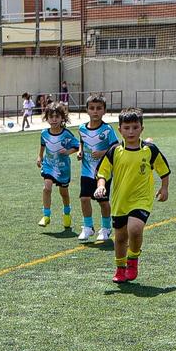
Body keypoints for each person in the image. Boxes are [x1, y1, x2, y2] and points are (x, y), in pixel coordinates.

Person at [95, 109, 170, 284]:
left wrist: (164, 188)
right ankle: (120, 268)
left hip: (142, 199)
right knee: (120, 238)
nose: (131, 132)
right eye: (126, 128)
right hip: (120, 200)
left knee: (135, 229)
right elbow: (102, 173)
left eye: (135, 127)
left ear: (141, 129)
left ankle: (133, 260)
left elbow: (163, 170)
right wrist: (101, 186)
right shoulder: (114, 151)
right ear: (120, 130)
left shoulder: (150, 150)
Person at [75, 94, 119, 243]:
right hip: (86, 170)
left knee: (102, 201)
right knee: (84, 198)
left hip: (103, 172)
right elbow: (82, 141)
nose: (95, 111)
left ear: (104, 111)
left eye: (99, 108)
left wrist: (102, 153)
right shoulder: (81, 128)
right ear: (87, 110)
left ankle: (106, 228)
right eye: (92, 108)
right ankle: (88, 227)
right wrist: (80, 151)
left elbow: (115, 147)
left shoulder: (107, 130)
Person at [36, 102, 81, 231]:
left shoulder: (66, 134)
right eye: (51, 117)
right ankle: (46, 215)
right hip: (49, 165)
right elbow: (42, 145)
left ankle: (66, 213)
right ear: (47, 118)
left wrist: (67, 152)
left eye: (57, 116)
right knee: (46, 188)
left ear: (62, 118)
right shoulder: (44, 133)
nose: (54, 119)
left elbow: (77, 146)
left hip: (62, 168)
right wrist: (39, 156)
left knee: (64, 193)